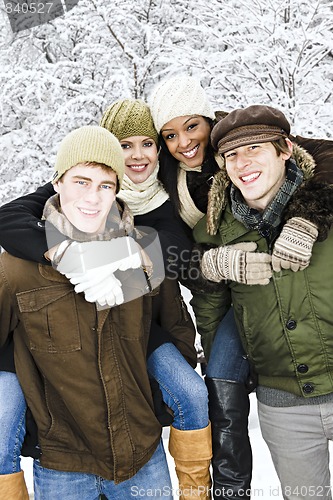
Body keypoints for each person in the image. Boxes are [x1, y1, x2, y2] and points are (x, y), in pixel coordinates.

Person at [0, 100, 212, 500]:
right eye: (81, 182)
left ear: (118, 189)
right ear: (58, 183)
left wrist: (156, 395)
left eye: (105, 186)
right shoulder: (18, 266)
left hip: (139, 450)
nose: (93, 198)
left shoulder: (146, 243)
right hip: (63, 460)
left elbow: (176, 322)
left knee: (190, 391)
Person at [148, 75, 333, 499]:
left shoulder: (243, 139)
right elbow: (161, 260)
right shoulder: (159, 180)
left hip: (271, 276)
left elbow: (318, 155)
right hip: (229, 288)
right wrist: (209, 263)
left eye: (191, 127)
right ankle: (231, 488)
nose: (184, 142)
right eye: (170, 135)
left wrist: (306, 217)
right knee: (220, 378)